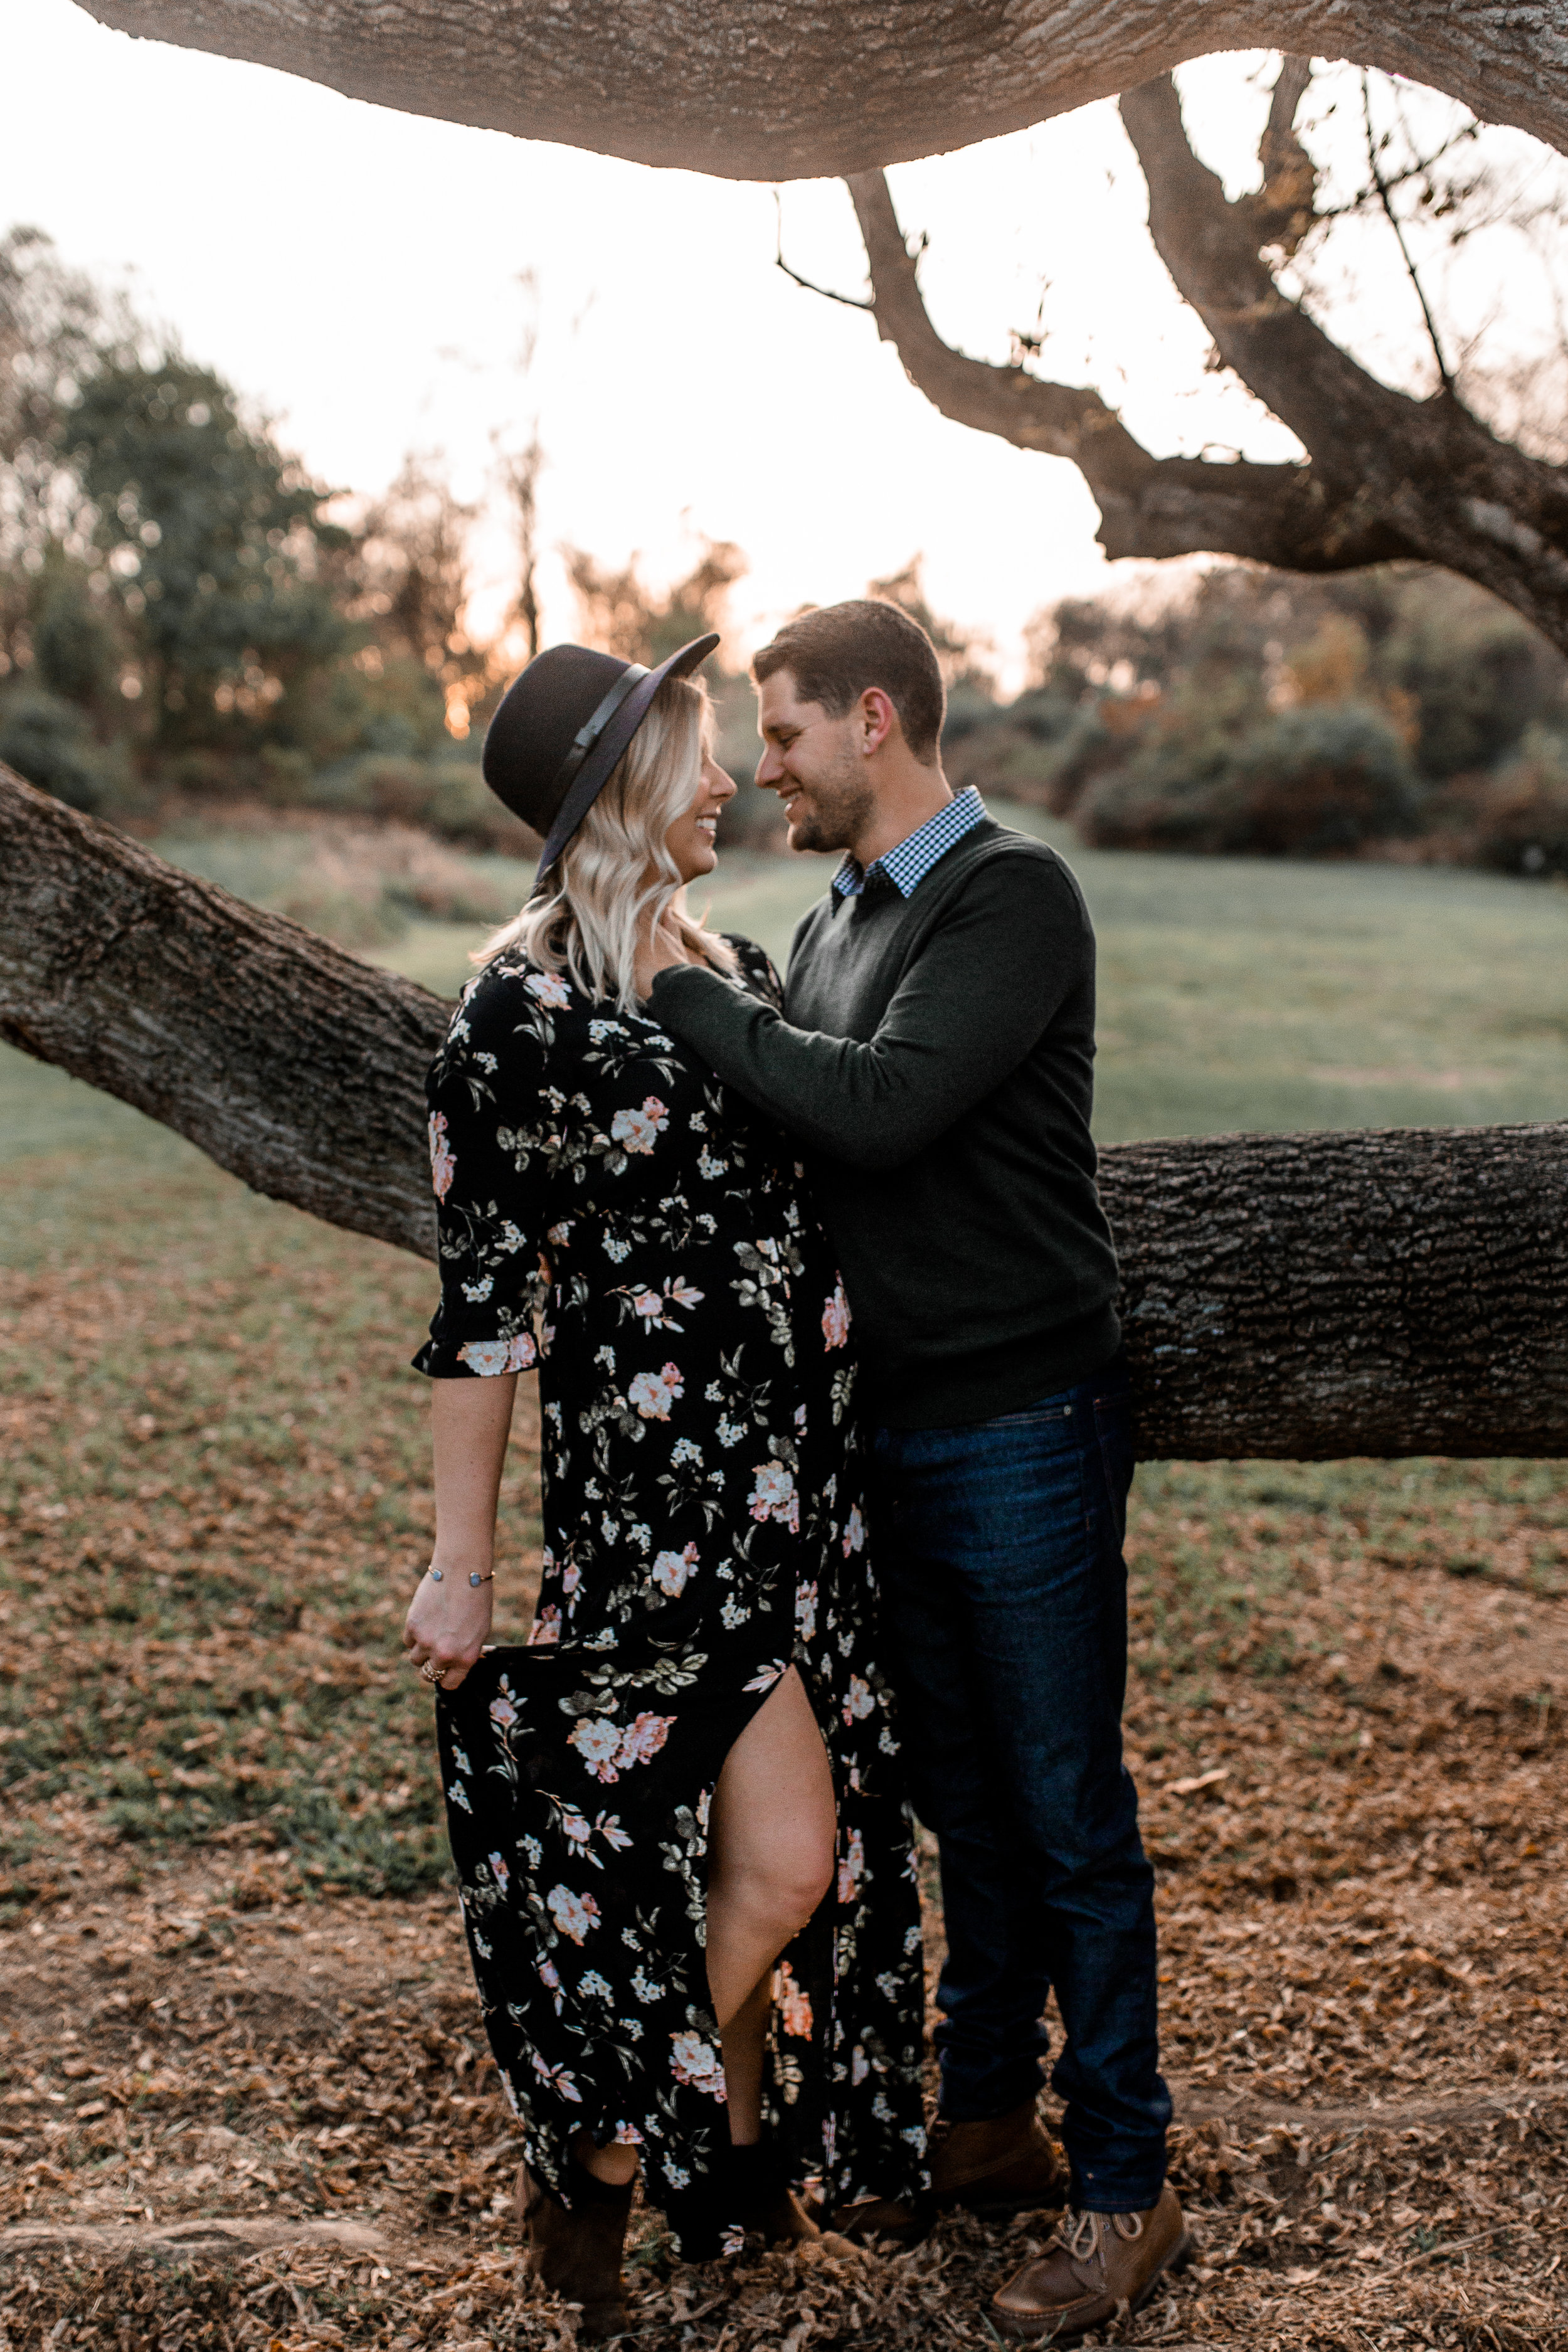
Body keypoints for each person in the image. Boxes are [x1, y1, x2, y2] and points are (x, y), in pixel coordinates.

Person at [644, 600, 1190, 2344]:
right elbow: (796, 1104)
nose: (769, 768)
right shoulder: (834, 918)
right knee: (966, 1805)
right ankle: (982, 2128)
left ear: (871, 721)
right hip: (891, 1429)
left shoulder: (1009, 895)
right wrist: (717, 983)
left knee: (1063, 1813)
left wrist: (671, 981)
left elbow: (872, 1111)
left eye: (785, 734)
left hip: (1022, 1421)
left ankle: (1122, 2184)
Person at [400, 630, 926, 2341]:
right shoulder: (517, 1014)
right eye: (697, 752)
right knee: (777, 1868)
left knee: (780, 1864)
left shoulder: (733, 960)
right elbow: (485, 1309)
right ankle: (603, 2164)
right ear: (621, 787)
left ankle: (682, 2168)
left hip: (802, 1490)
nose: (726, 778)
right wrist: (461, 1565)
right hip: (669, 1509)